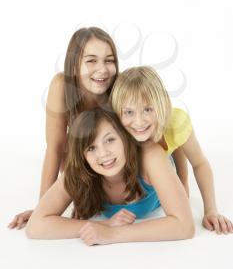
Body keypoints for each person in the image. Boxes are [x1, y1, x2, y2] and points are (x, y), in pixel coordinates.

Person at [25, 107, 194, 245]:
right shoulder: (80, 170)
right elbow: (35, 226)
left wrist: (111, 234)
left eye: (110, 140)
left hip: (166, 162)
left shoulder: (151, 156)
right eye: (91, 148)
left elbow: (184, 226)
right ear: (83, 156)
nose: (103, 153)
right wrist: (102, 224)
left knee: (172, 148)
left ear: (124, 137)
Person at [8, 27, 119, 229]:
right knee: (70, 143)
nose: (102, 69)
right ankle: (83, 194)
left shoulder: (119, 88)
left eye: (109, 60)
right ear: (75, 64)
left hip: (115, 163)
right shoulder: (62, 85)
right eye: (91, 60)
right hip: (87, 160)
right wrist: (44, 208)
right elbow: (55, 147)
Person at [110, 66, 233, 235]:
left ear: (161, 106)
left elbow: (200, 163)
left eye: (147, 109)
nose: (138, 121)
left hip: (164, 163)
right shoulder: (115, 131)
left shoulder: (176, 122)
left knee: (174, 145)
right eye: (129, 112)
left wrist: (210, 209)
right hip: (137, 174)